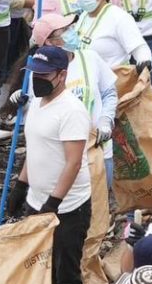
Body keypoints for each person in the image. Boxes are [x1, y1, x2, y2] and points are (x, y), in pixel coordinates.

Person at [7, 46, 93, 284]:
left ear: (61, 75)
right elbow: (36, 150)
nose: (38, 80)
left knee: (65, 271)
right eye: (34, 74)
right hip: (37, 199)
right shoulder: (37, 103)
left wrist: (54, 203)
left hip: (69, 207)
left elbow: (73, 162)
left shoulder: (71, 112)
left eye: (44, 75)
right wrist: (21, 186)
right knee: (41, 266)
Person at [31, 11, 117, 187]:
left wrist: (105, 120)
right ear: (50, 42)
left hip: (97, 147)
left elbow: (109, 93)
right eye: (65, 30)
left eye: (71, 27)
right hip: (62, 154)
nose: (72, 31)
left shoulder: (90, 58)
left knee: (100, 198)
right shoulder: (42, 72)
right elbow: (39, 112)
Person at [72, 0, 152, 73]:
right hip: (87, 79)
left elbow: (139, 48)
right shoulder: (84, 16)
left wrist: (145, 63)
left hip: (114, 80)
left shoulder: (118, 17)